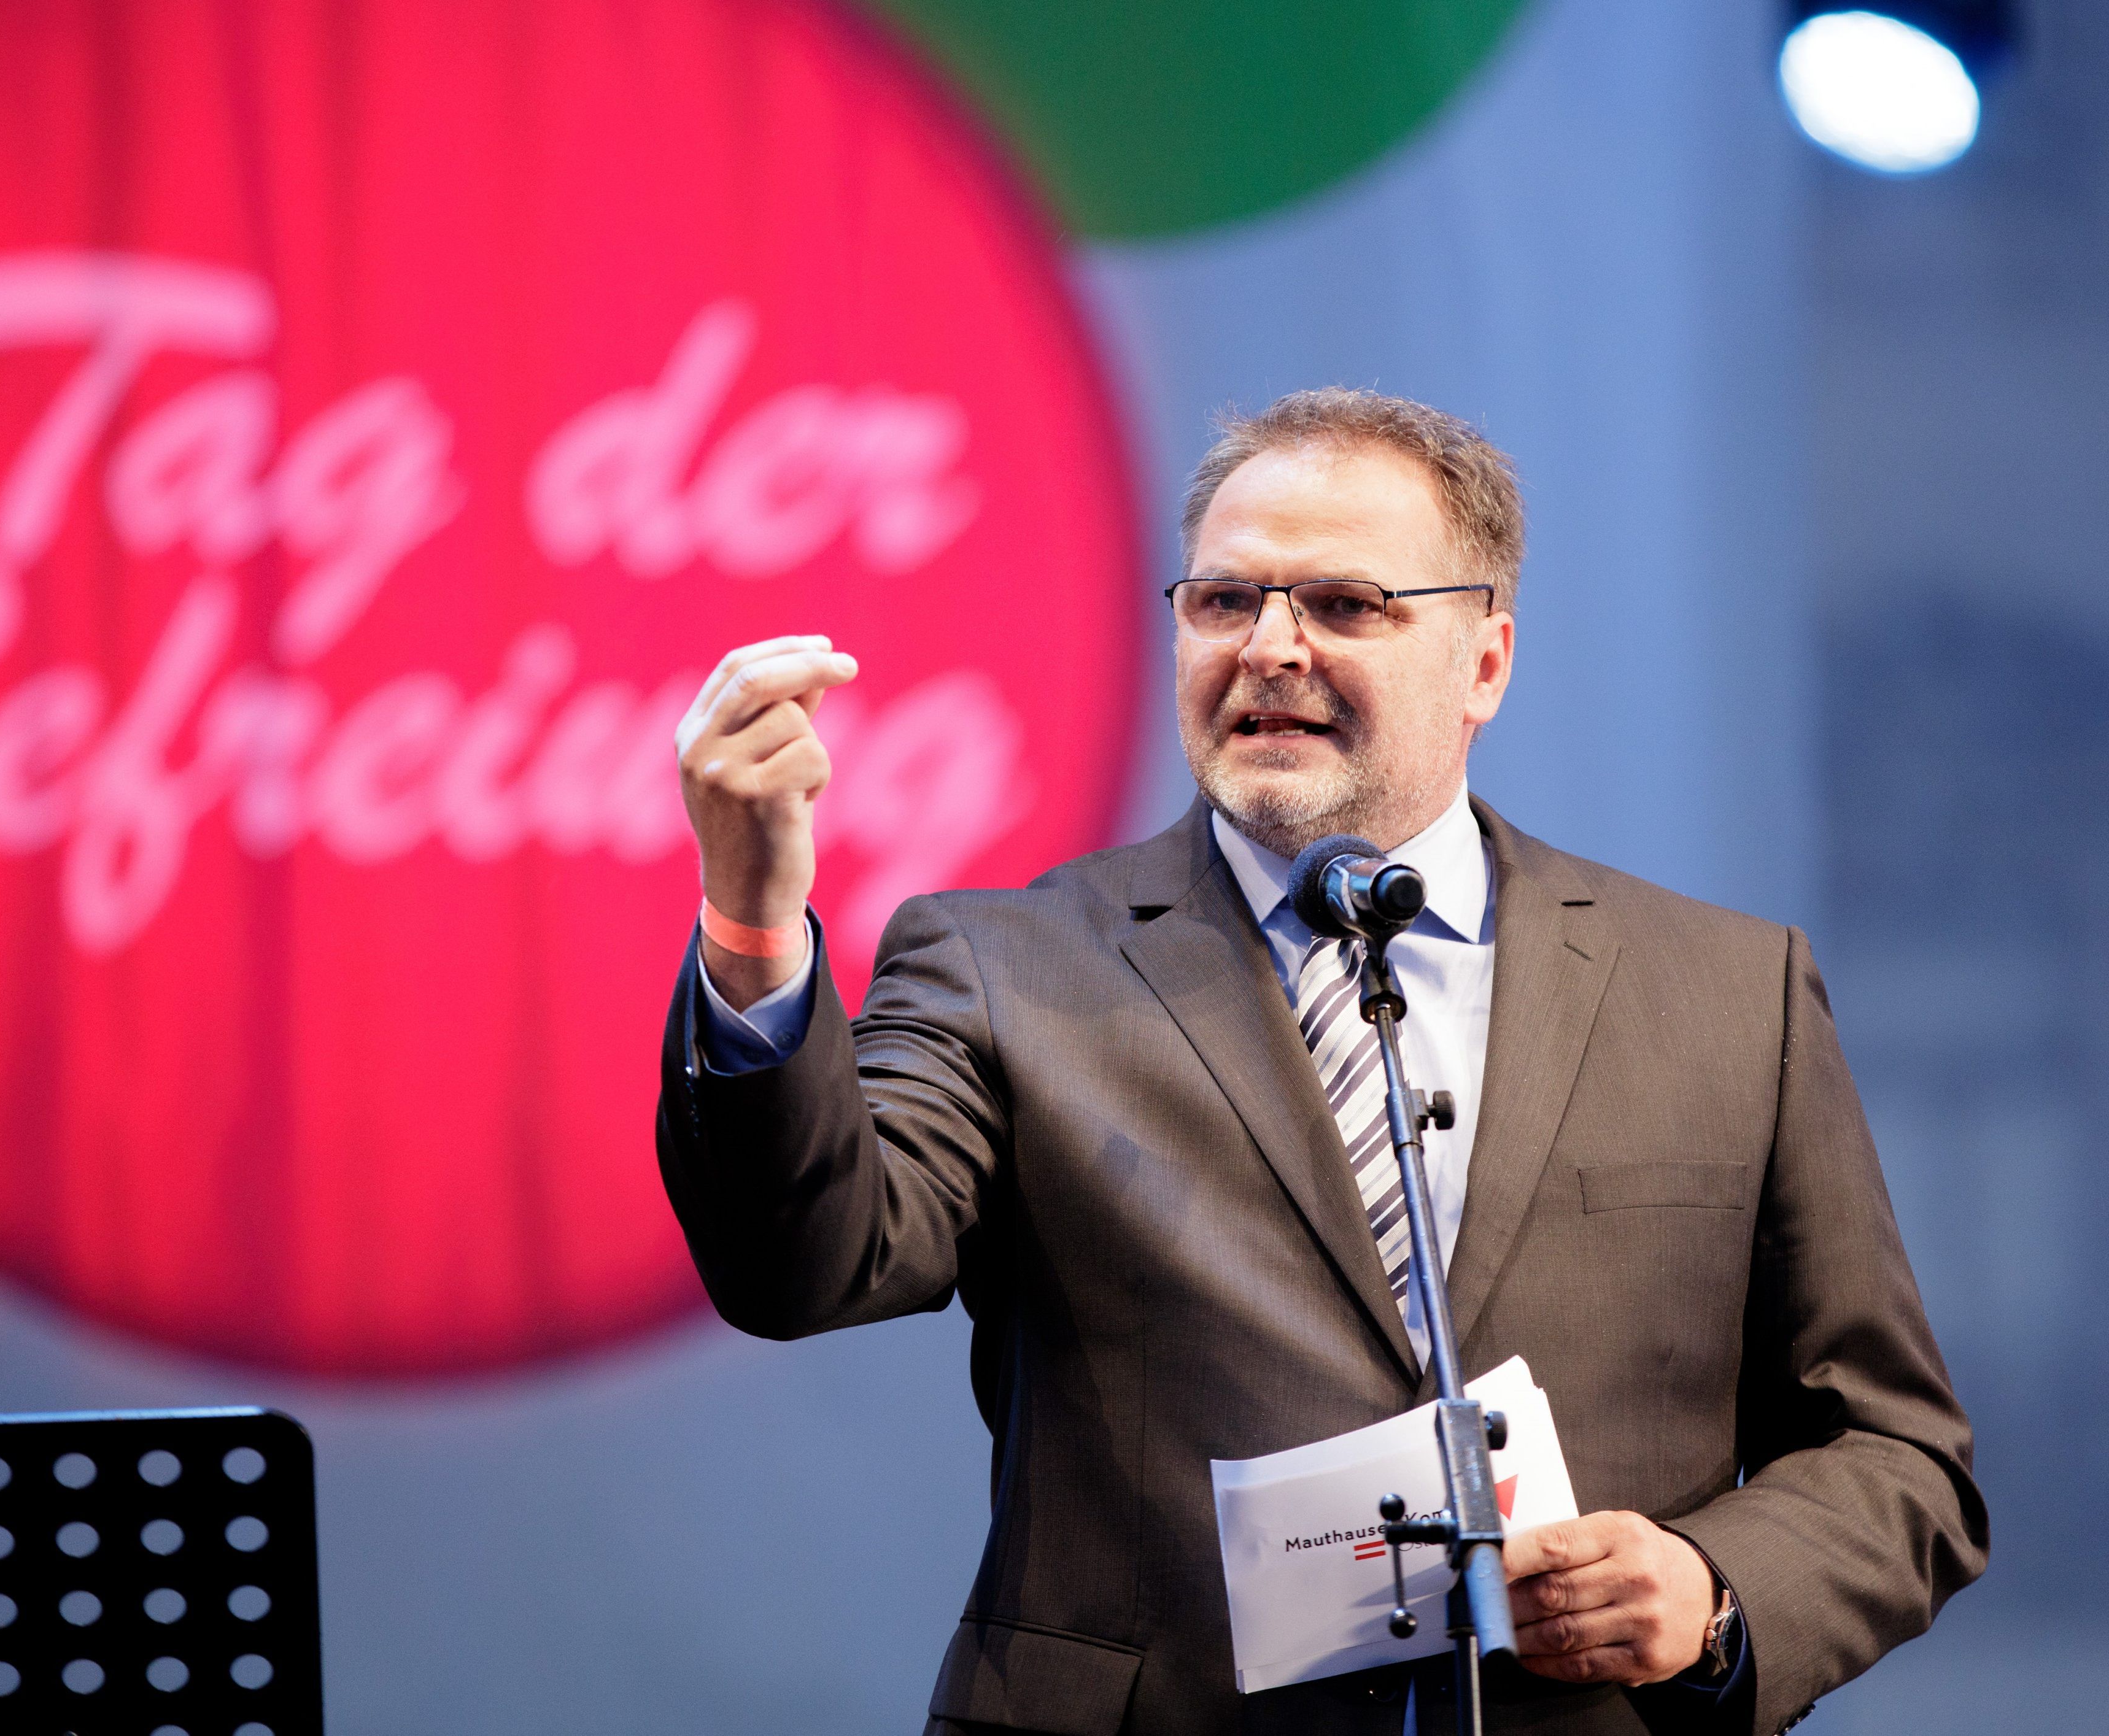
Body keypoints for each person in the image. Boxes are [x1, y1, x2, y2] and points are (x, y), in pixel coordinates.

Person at [656, 389, 1986, 1735]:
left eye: (1344, 604)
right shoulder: (1008, 965)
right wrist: (754, 925)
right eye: (1223, 601)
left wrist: (1709, 1590)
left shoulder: (1719, 993)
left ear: (1484, 662)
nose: (1269, 647)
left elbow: (1895, 1455)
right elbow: (804, 1259)